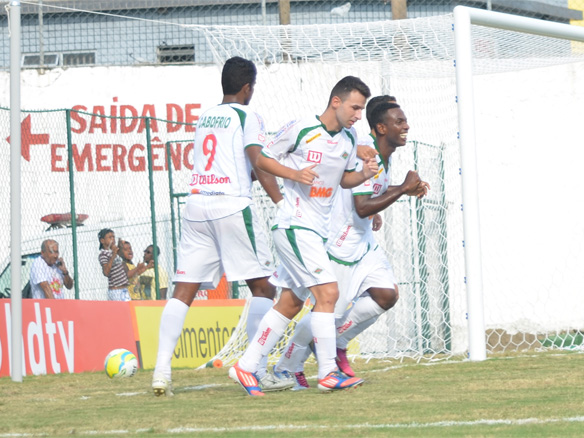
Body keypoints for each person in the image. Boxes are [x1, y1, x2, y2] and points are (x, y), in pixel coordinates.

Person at [229, 76, 379, 396]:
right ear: (336, 102)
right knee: (328, 293)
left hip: (316, 231)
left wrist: (364, 174)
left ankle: (246, 365)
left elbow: (343, 181)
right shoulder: (302, 128)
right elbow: (261, 158)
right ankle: (327, 373)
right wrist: (294, 174)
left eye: (361, 109)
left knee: (291, 302)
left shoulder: (349, 139)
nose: (358, 115)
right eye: (355, 107)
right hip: (294, 225)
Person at [151, 56, 288, 397]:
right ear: (247, 88)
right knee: (263, 288)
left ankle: (161, 371)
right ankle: (255, 369)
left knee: (183, 290)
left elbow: (239, 164)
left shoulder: (204, 117)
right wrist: (284, 205)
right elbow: (258, 162)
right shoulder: (248, 115)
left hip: (197, 205)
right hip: (230, 206)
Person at [274, 100, 430, 388]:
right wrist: (402, 190)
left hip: (363, 242)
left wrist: (387, 200)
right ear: (381, 128)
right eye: (399, 121)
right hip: (342, 245)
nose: (406, 126)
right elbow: (361, 206)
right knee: (327, 310)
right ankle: (287, 365)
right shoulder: (364, 152)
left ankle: (339, 343)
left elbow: (365, 198)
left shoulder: (383, 152)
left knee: (387, 294)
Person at [98, 229, 131, 301]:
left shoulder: (114, 251)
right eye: (110, 237)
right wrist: (113, 255)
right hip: (116, 291)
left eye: (113, 237)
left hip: (124, 289)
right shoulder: (103, 254)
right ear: (102, 241)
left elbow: (123, 263)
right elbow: (106, 272)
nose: (113, 239)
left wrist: (120, 247)